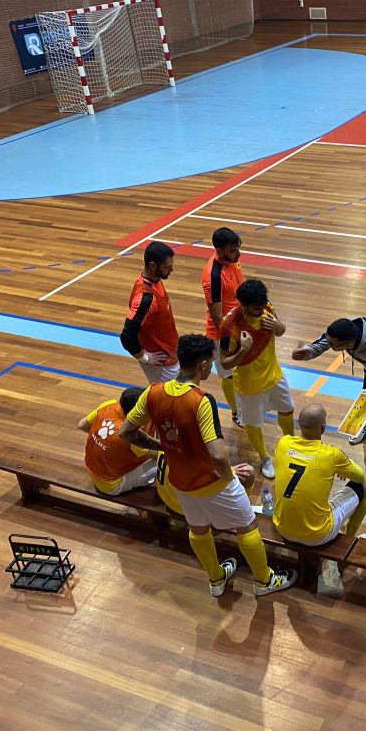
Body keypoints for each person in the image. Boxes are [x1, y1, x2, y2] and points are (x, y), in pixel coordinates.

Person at [119, 333, 295, 598]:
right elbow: (219, 456)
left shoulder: (152, 392)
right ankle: (263, 580)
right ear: (202, 365)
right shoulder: (201, 401)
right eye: (210, 362)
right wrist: (230, 479)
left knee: (198, 529)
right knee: (246, 526)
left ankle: (216, 579)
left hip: (180, 482)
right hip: (211, 482)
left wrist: (163, 447)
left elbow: (127, 431)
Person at [272, 403, 366, 594]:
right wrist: (341, 468)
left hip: (282, 527)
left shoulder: (283, 443)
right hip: (318, 535)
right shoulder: (331, 454)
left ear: (299, 425)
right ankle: (349, 535)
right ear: (323, 427)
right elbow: (360, 476)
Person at [293, 316, 366, 478]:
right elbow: (326, 341)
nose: (329, 345)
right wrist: (308, 352)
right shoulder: (346, 330)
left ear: (347, 345)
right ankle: (364, 425)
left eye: (333, 345)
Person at [219, 279, 295, 480]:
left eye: (263, 306)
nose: (261, 311)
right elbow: (225, 363)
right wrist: (243, 350)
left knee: (287, 410)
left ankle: (291, 445)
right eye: (256, 308)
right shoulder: (229, 327)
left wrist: (278, 325)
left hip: (275, 376)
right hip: (249, 385)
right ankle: (264, 457)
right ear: (242, 305)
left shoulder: (267, 307)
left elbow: (280, 331)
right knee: (254, 424)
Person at [201, 226, 244, 426]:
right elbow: (218, 318)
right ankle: (237, 413)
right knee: (228, 375)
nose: (238, 254)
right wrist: (237, 334)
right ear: (219, 251)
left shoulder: (232, 260)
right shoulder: (213, 277)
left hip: (238, 324)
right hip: (222, 334)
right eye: (234, 251)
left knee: (241, 369)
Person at [78, 386, 156, 495]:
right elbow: (160, 456)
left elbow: (82, 425)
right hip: (111, 485)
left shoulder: (108, 405)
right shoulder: (131, 434)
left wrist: (109, 443)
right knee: (164, 461)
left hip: (92, 469)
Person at [120, 241, 179, 384]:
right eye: (168, 266)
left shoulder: (155, 279)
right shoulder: (145, 299)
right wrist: (144, 358)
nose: (172, 269)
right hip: (162, 364)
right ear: (153, 265)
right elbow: (127, 336)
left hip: (171, 353)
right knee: (170, 403)